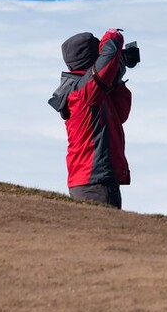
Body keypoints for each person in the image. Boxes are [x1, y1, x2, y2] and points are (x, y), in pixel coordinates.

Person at [56, 28, 132, 208]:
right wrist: (113, 36)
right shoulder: (84, 92)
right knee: (107, 235)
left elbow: (120, 114)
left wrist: (117, 78)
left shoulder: (88, 92)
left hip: (94, 180)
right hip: (94, 182)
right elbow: (110, 53)